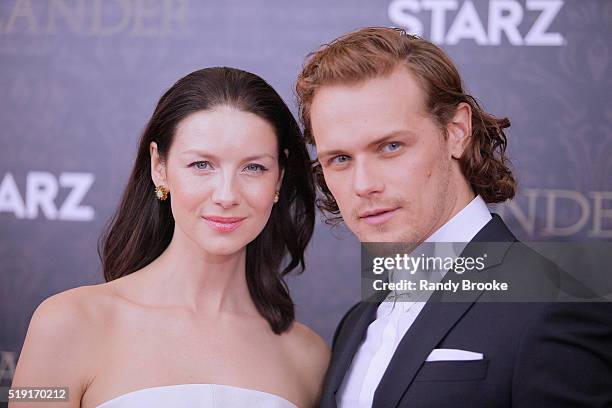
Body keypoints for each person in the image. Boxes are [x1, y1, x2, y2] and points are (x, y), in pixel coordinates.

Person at [296, 27, 612, 407]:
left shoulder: (553, 306)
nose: (363, 185)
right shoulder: (356, 323)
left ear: (457, 131)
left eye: (390, 146)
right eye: (341, 159)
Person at [11, 67, 330, 408]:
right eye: (201, 165)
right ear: (159, 167)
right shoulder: (64, 324)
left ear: (279, 178)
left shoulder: (308, 357)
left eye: (253, 168)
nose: (226, 195)